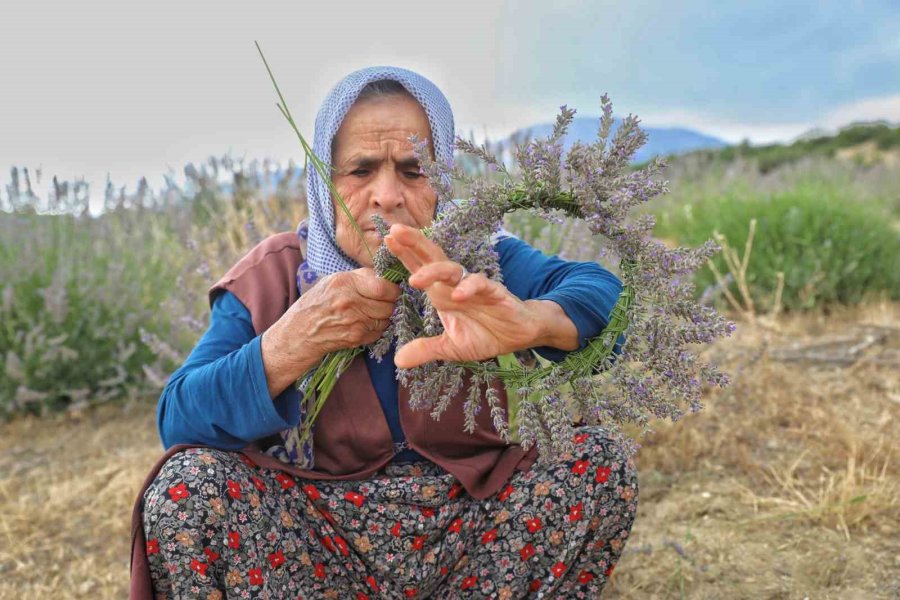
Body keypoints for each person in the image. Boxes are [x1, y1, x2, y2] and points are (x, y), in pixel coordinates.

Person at [131, 66, 638, 599]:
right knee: (187, 487)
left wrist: (531, 321)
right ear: (324, 183)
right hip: (315, 541)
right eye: (360, 170)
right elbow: (180, 420)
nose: (387, 195)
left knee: (596, 459)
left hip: (472, 526)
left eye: (414, 170)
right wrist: (293, 340)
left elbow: (603, 299)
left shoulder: (478, 258)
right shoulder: (276, 274)